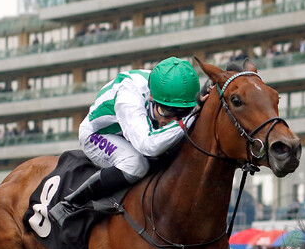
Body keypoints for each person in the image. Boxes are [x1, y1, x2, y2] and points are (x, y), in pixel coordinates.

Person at [49, 57, 201, 226]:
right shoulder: (129, 99)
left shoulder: (171, 89)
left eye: (180, 114)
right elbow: (148, 145)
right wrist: (189, 118)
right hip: (99, 134)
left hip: (133, 132)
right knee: (136, 164)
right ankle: (70, 204)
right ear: (151, 97)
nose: (171, 120)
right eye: (165, 111)